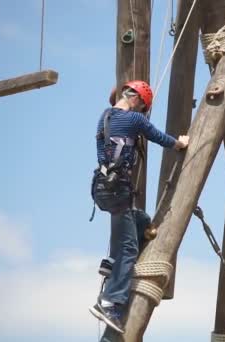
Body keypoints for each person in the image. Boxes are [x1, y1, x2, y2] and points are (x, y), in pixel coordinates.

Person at [89, 80, 189, 333]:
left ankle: (111, 262)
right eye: (143, 107)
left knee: (142, 221)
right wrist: (180, 142)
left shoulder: (105, 117)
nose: (142, 111)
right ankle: (109, 303)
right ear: (139, 101)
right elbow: (160, 138)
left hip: (101, 188)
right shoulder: (135, 120)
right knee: (129, 250)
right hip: (118, 189)